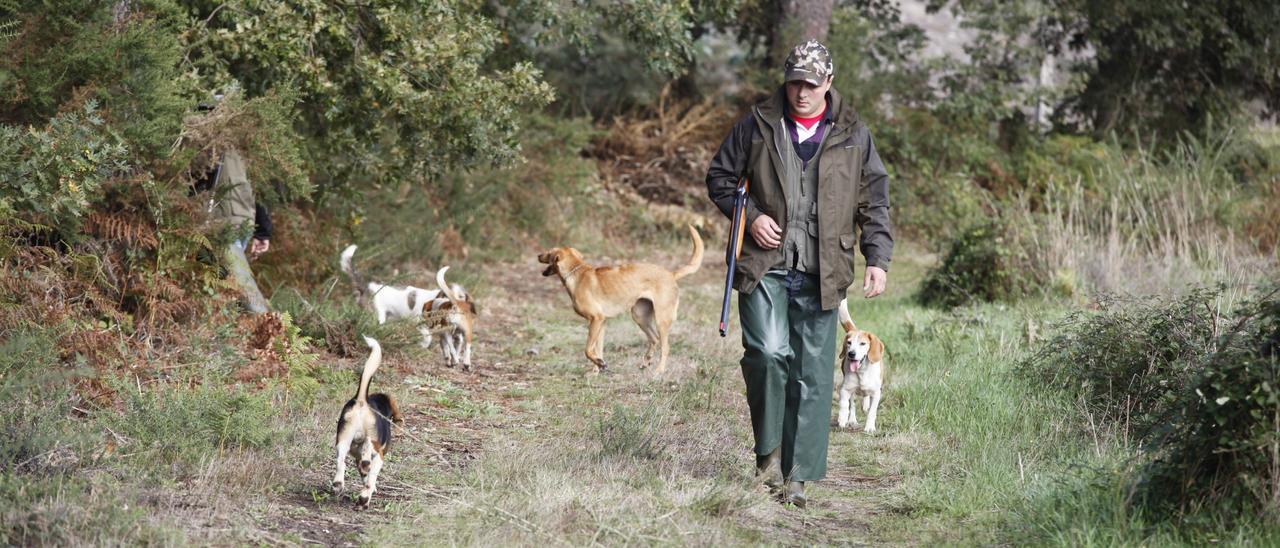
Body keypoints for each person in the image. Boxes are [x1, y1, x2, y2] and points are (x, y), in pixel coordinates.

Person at [705, 39, 893, 508]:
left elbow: (875, 200)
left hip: (823, 270)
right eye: (794, 82)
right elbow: (720, 179)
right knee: (768, 355)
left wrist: (878, 258)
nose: (801, 92)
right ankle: (768, 453)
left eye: (810, 84)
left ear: (828, 83)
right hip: (764, 266)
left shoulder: (854, 135)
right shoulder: (757, 124)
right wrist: (748, 216)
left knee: (811, 375)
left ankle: (798, 477)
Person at [194, 117, 273, 314]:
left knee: (240, 292)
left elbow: (196, 183)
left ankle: (273, 335)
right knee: (222, 289)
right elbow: (258, 188)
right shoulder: (245, 146)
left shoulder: (208, 142)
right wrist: (263, 231)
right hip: (241, 222)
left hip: (219, 225)